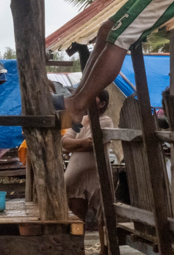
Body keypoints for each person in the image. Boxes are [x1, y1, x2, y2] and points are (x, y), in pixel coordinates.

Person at [62, 90, 113, 255]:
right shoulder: (80, 121)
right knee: (77, 217)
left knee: (103, 216)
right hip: (76, 178)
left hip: (97, 175)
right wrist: (80, 143)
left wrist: (75, 143)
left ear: (102, 103)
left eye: (94, 96)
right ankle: (79, 250)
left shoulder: (105, 121)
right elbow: (64, 142)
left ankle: (104, 250)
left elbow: (92, 143)